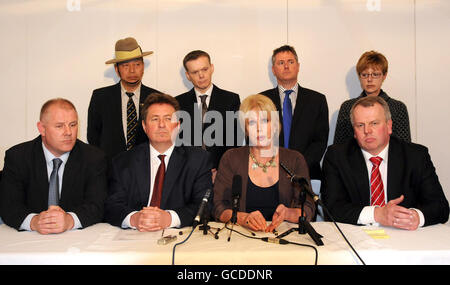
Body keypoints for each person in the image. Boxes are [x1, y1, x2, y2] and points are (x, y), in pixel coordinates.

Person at [321, 96, 449, 230]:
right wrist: (377, 214)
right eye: (360, 125)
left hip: (405, 238)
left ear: (389, 126)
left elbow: (440, 207)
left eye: (374, 123)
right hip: (357, 238)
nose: (367, 131)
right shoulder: (337, 156)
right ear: (354, 131)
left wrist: (415, 216)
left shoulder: (415, 156)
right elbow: (331, 209)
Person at [104, 93, 213, 231]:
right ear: (144, 126)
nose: (161, 125)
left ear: (178, 125)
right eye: (155, 119)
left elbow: (204, 206)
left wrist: (169, 218)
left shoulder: (198, 160)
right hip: (134, 236)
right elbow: (112, 206)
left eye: (168, 119)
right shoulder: (123, 162)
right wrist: (134, 218)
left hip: (177, 237)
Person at [0, 98, 107, 234]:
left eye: (73, 125)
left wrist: (69, 220)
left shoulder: (93, 158)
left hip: (76, 240)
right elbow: (9, 206)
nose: (68, 132)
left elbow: (97, 205)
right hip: (30, 239)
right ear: (42, 129)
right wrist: (34, 222)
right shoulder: (18, 157)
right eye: (59, 126)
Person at [213, 94, 315, 233]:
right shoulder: (231, 158)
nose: (259, 129)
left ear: (274, 125)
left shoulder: (294, 160)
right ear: (246, 130)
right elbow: (218, 208)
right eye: (252, 123)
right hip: (242, 238)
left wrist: (288, 213)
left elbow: (308, 207)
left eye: (264, 121)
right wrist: (243, 218)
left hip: (285, 238)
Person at [260, 45, 329, 180]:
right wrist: (273, 167)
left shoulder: (317, 100)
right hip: (269, 174)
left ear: (298, 66)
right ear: (273, 70)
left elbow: (320, 141)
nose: (286, 66)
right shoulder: (262, 101)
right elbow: (258, 138)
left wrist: (299, 166)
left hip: (307, 173)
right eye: (281, 63)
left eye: (290, 62)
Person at [88, 37, 162, 160]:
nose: (132, 71)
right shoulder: (100, 97)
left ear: (143, 67)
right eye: (126, 66)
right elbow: (93, 137)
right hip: (110, 168)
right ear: (117, 70)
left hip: (147, 166)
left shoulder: (156, 98)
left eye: (137, 64)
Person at [176, 50, 242, 181]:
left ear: (212, 68)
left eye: (204, 69)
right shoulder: (178, 103)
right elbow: (177, 143)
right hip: (188, 175)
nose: (201, 75)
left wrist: (222, 169)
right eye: (195, 72)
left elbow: (235, 141)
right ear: (188, 75)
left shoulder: (231, 100)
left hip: (222, 173)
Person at [334, 50, 411, 144]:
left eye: (375, 74)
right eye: (365, 75)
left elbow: (404, 146)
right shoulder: (347, 107)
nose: (369, 79)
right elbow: (339, 145)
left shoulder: (398, 107)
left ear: (384, 76)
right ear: (359, 76)